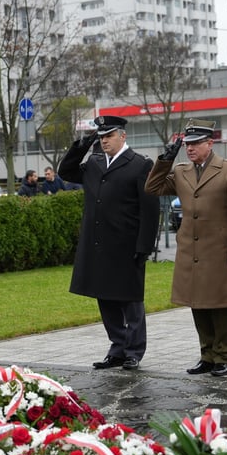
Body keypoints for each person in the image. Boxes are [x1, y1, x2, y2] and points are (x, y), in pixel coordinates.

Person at [144, 121, 227, 377]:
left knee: (220, 306)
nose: (189, 149)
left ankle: (224, 356)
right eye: (187, 144)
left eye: (195, 144)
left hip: (219, 251)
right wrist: (164, 161)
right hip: (191, 252)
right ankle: (207, 355)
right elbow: (152, 187)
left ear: (209, 144)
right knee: (198, 304)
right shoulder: (181, 171)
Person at [58, 115, 160, 371]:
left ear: (123, 136)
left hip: (126, 245)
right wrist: (82, 145)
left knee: (130, 300)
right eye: (101, 137)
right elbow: (66, 172)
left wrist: (145, 246)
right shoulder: (93, 163)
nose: (104, 141)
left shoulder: (140, 164)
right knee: (105, 298)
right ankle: (117, 347)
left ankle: (134, 351)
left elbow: (149, 210)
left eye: (109, 136)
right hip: (99, 244)